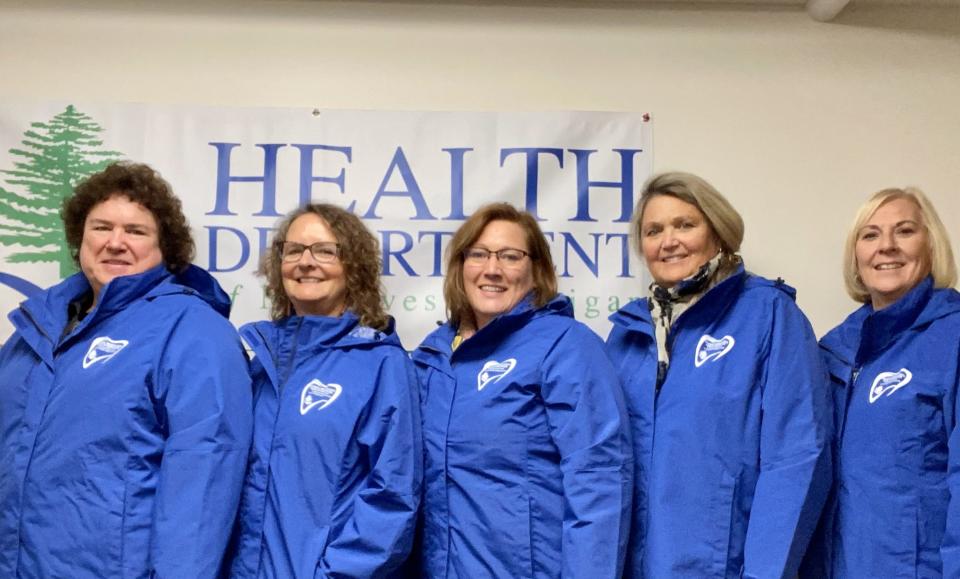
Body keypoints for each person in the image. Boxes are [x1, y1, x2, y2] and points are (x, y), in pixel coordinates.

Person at [0, 161, 253, 578]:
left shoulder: (194, 331)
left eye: (136, 231)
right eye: (101, 227)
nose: (116, 242)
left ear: (164, 249)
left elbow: (204, 484)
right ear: (79, 238)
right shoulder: (35, 328)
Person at [605, 171, 831, 578]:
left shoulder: (768, 315)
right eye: (653, 230)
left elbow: (797, 458)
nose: (668, 240)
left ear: (718, 230)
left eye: (685, 225)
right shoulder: (626, 336)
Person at [412, 202, 633, 578]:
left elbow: (599, 479)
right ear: (460, 266)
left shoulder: (566, 346)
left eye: (510, 256)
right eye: (478, 254)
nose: (492, 269)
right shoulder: (429, 359)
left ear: (537, 270)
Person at [228, 203, 422, 579]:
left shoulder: (381, 364)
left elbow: (392, 496)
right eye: (294, 250)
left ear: (354, 266)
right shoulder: (261, 365)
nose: (305, 262)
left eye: (324, 250)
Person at [800, 187, 960, 578]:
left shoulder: (952, 337)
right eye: (870, 235)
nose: (886, 246)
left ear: (931, 245)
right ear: (856, 257)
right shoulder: (830, 351)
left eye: (904, 231)